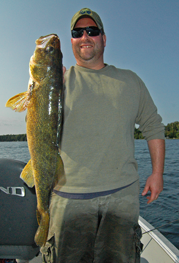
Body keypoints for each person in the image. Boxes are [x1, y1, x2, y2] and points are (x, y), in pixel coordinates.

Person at [41, 7, 165, 263]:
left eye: (92, 31)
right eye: (77, 32)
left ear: (103, 39)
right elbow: (39, 126)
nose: (85, 36)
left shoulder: (131, 81)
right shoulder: (57, 82)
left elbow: (153, 126)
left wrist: (157, 173)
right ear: (72, 40)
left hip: (121, 197)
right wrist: (46, 84)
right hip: (67, 198)